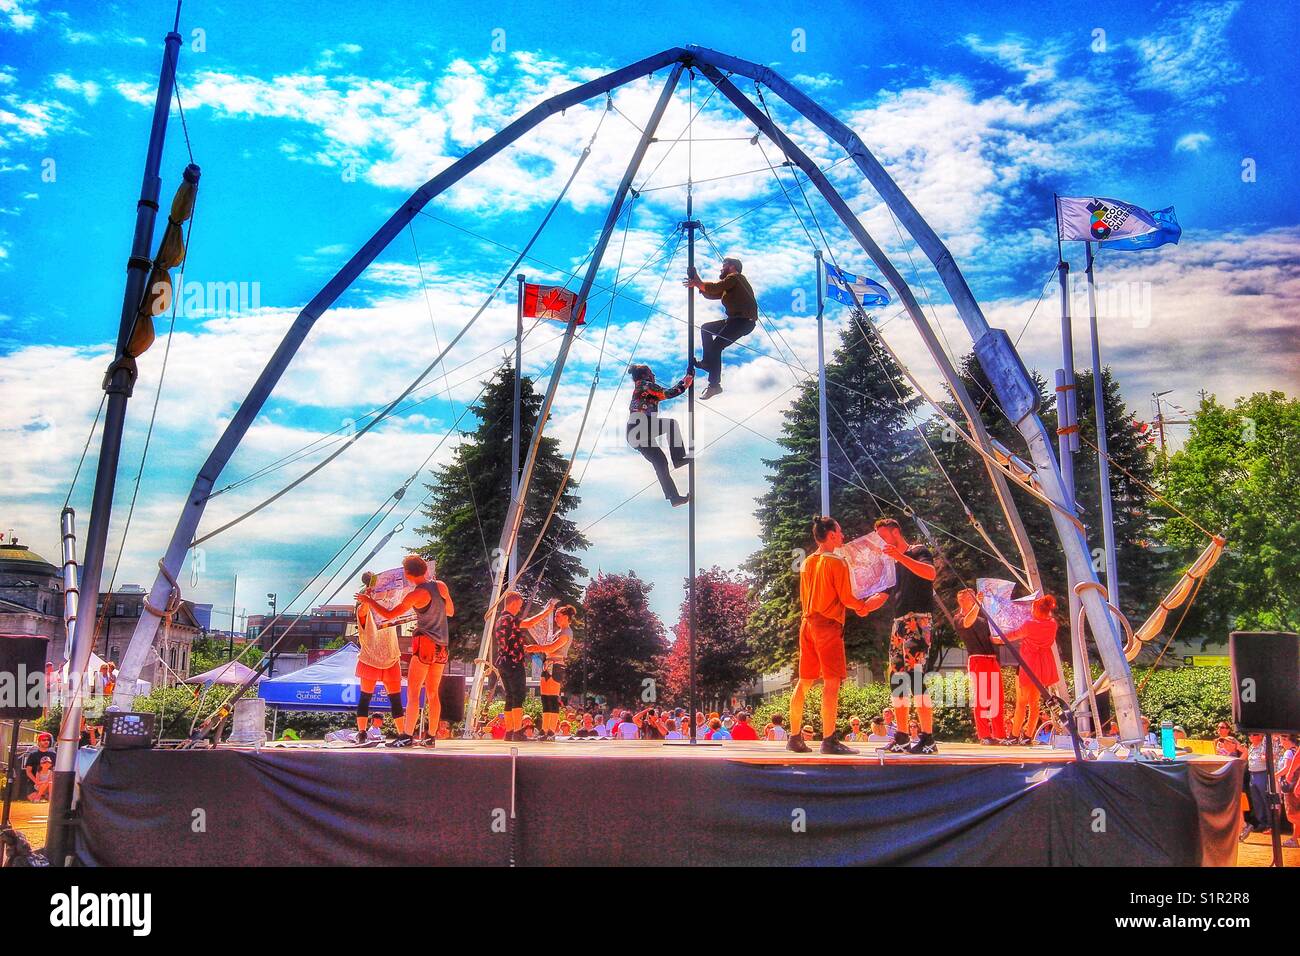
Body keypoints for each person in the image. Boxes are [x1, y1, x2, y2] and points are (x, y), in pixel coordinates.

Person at [788, 515, 889, 755]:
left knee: (804, 681)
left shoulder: (808, 562)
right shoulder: (837, 562)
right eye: (840, 532)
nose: (843, 536)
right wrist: (865, 606)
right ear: (831, 535)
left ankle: (794, 737)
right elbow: (846, 598)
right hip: (828, 625)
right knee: (832, 682)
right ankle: (829, 740)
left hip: (807, 624)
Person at [357, 555, 455, 748]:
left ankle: (407, 735)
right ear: (425, 570)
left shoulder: (415, 595)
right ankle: (430, 736)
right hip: (442, 645)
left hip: (425, 642)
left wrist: (369, 600)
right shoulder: (441, 586)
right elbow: (450, 611)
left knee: (413, 691)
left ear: (408, 574)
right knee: (433, 693)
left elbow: (389, 615)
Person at [876, 517, 939, 755]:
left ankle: (928, 738)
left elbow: (930, 573)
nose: (881, 541)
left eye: (883, 536)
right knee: (897, 681)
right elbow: (883, 594)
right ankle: (901, 736)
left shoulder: (917, 550)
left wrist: (901, 557)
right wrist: (860, 605)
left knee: (915, 678)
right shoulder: (893, 564)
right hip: (899, 623)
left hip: (918, 620)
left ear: (895, 532)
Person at [683, 257, 757, 400]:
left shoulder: (735, 277)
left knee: (716, 347)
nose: (721, 268)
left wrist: (696, 281)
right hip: (734, 320)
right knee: (706, 328)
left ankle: (714, 386)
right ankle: (706, 362)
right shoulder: (730, 286)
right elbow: (709, 292)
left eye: (724, 265)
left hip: (743, 321)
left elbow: (714, 287)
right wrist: (695, 277)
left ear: (732, 266)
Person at [348, 570, 408, 747]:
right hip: (371, 658)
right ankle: (361, 732)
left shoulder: (388, 606)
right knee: (365, 697)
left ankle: (402, 733)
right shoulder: (363, 608)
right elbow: (364, 610)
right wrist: (368, 598)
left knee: (395, 699)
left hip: (390, 656)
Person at [625, 363, 693, 506]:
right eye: (652, 373)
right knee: (671, 425)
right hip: (639, 428)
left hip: (635, 435)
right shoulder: (644, 384)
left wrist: (684, 380)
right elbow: (668, 393)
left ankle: (674, 498)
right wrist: (686, 382)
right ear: (645, 375)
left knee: (660, 462)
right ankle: (679, 458)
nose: (654, 376)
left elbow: (661, 395)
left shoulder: (644, 388)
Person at [954, 587, 1008, 745]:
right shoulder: (959, 617)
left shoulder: (983, 619)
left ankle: (1000, 735)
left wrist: (1004, 638)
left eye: (974, 597)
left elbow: (993, 638)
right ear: (961, 600)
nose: (973, 600)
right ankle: (984, 735)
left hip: (992, 658)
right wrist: (978, 604)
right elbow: (967, 622)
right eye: (970, 598)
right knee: (981, 699)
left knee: (997, 699)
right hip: (977, 659)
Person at [1006, 595, 1061, 746]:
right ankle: (1028, 735)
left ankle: (1014, 735)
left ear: (1037, 609)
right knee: (1034, 703)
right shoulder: (1052, 624)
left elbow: (1013, 635)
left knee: (1021, 702)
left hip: (1027, 665)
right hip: (1042, 667)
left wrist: (997, 638)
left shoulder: (1029, 624)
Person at [524, 601, 576, 741]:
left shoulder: (566, 632)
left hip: (557, 665)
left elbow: (552, 648)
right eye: (555, 616)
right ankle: (544, 729)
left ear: (566, 617)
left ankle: (551, 730)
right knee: (545, 699)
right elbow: (548, 647)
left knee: (552, 699)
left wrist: (534, 648)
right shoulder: (559, 631)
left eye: (558, 616)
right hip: (547, 664)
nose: (556, 618)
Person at [23, 732, 55, 799]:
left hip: (49, 782)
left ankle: (47, 795)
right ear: (39, 742)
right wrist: (37, 782)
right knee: (32, 797)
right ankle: (41, 795)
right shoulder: (33, 755)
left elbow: (55, 770)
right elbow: (28, 771)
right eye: (44, 740)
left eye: (48, 740)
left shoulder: (53, 754)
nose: (46, 741)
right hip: (35, 782)